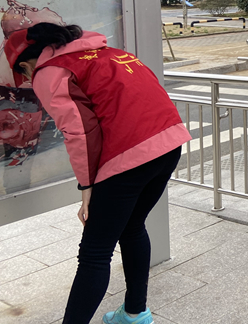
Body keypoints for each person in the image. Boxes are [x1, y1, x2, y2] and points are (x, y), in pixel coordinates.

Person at [5, 22, 191, 324]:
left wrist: (86, 186)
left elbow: (79, 131)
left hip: (129, 157)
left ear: (27, 63)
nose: (28, 80)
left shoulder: (50, 72)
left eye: (24, 73)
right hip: (169, 144)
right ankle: (135, 313)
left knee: (95, 252)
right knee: (132, 227)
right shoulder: (113, 54)